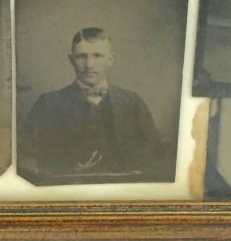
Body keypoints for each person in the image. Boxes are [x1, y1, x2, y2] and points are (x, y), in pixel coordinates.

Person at [19, 27, 169, 184]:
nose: (89, 65)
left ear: (110, 59)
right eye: (81, 57)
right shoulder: (48, 104)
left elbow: (156, 153)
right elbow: (26, 157)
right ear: (71, 60)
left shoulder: (132, 102)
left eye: (97, 56)